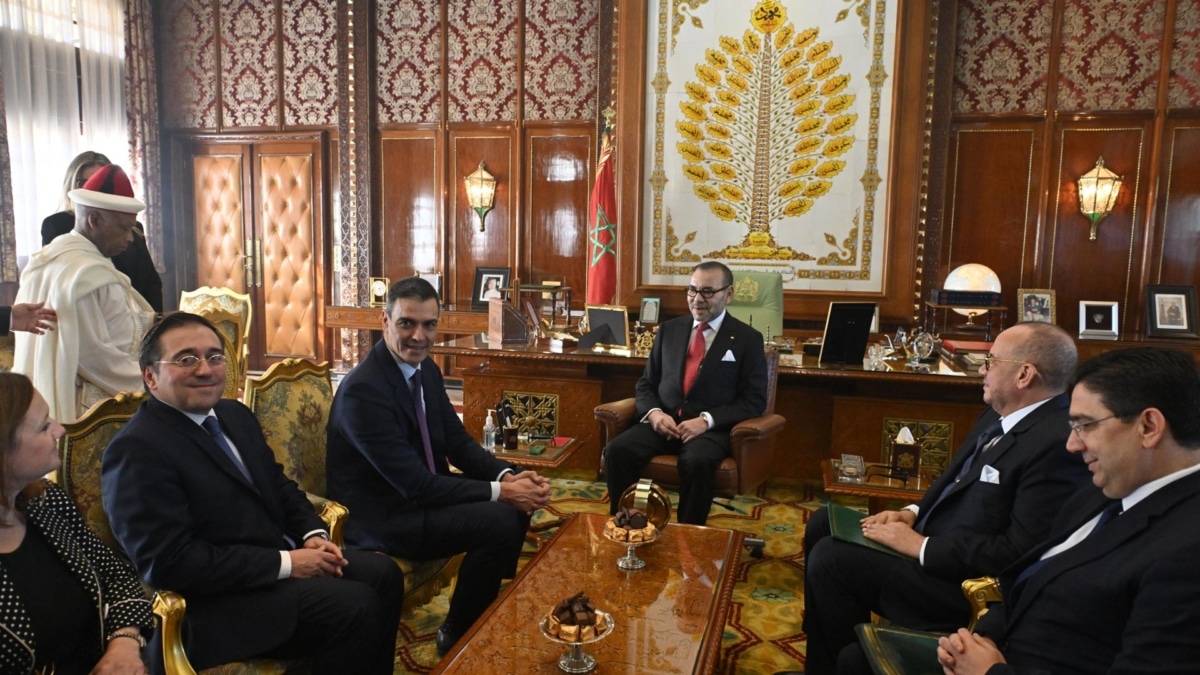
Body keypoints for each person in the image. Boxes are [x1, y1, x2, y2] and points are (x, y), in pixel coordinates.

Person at [101, 313, 404, 674]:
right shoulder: (137, 450)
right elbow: (171, 563)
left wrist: (313, 535)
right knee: (355, 604)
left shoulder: (232, 414)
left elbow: (278, 485)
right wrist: (288, 564)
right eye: (186, 359)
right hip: (218, 604)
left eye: (214, 357)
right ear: (151, 376)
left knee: (383, 573)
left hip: (271, 568)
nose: (205, 370)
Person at [792, 322, 1090, 675]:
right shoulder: (999, 409)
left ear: (1025, 375)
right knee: (823, 522)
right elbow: (954, 477)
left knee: (833, 560)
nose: (982, 369)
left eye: (991, 361)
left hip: (959, 585)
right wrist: (910, 512)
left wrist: (920, 546)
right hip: (933, 539)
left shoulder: (1055, 443)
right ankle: (826, 661)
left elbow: (1018, 553)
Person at [933, 347, 1200, 674]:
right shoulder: (1100, 491)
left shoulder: (1188, 551)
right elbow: (1024, 576)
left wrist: (989, 672)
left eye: (1085, 425)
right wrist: (981, 640)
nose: (1072, 445)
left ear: (1148, 426)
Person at [326, 276, 551, 657]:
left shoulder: (425, 370)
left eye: (429, 325)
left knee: (511, 499)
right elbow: (417, 486)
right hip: (385, 518)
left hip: (424, 497)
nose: (419, 336)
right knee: (499, 518)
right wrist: (504, 493)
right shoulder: (364, 391)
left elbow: (458, 444)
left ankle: (476, 611)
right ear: (385, 321)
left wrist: (507, 476)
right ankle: (460, 634)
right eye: (407, 323)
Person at [0, 372, 154, 674]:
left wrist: (123, 643)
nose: (59, 429)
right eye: (44, 426)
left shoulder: (47, 502)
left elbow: (117, 577)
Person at [603, 260, 768, 525]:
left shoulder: (747, 338)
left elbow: (754, 401)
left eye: (707, 292)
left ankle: (689, 538)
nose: (697, 299)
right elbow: (646, 384)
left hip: (710, 430)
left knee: (697, 462)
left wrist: (706, 421)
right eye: (692, 290)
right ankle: (627, 524)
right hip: (663, 422)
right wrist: (655, 414)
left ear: (729, 294)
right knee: (617, 451)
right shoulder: (670, 330)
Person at [12, 164, 157, 423]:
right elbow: (95, 357)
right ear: (94, 220)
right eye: (124, 228)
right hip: (89, 408)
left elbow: (106, 322)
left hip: (38, 393)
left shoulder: (51, 257)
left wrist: (152, 321)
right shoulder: (88, 276)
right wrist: (157, 381)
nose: (130, 239)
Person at [42, 151, 164, 313]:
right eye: (86, 182)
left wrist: (155, 323)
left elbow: (150, 282)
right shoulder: (57, 225)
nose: (97, 192)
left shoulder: (136, 229)